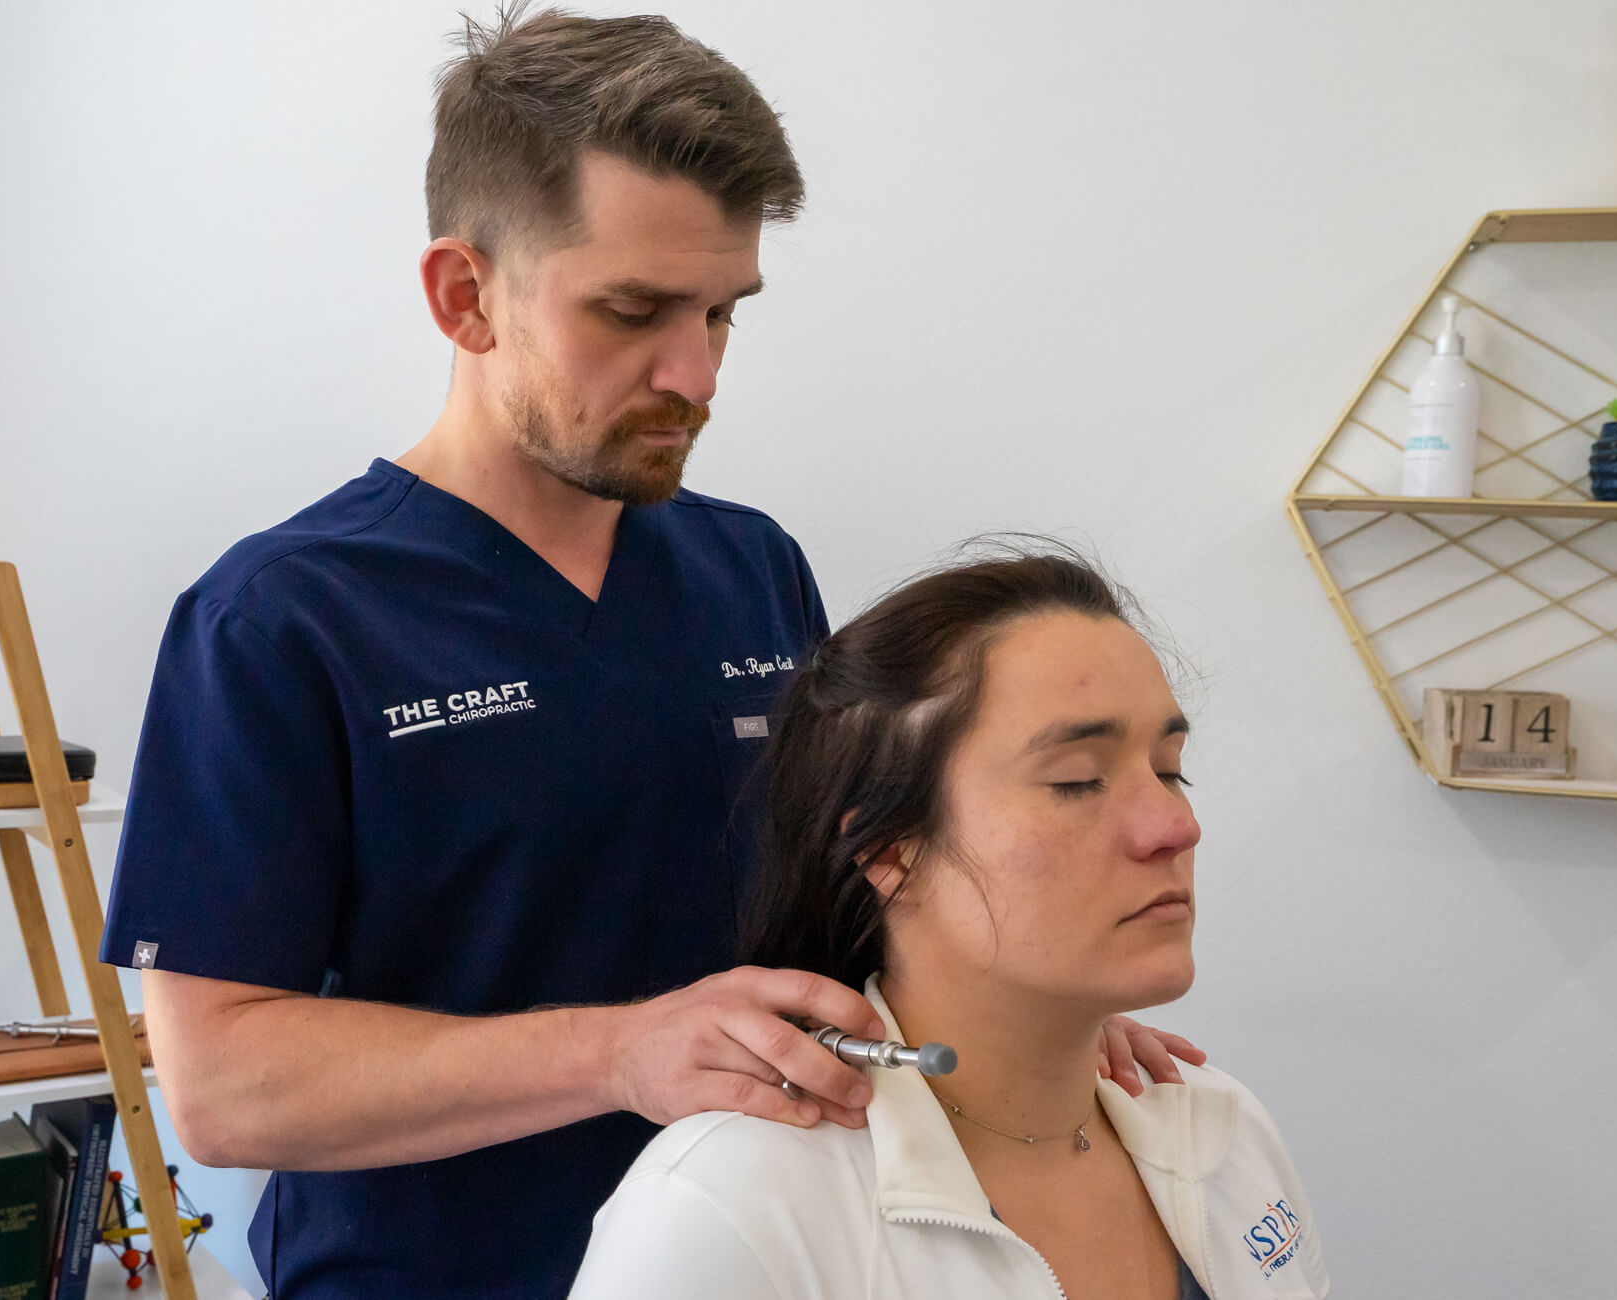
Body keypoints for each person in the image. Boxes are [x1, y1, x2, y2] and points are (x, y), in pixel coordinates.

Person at [97, 11, 1199, 1297]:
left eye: (724, 314)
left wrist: (1031, 1008)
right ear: (466, 296)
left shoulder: (752, 570)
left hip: (784, 1258)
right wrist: (620, 1053)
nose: (696, 373)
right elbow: (224, 1088)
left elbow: (859, 901)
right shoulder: (283, 620)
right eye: (633, 312)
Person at [572, 546, 1329, 1299]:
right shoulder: (732, 1207)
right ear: (889, 852)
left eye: (1170, 769)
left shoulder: (1217, 1126)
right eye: (1078, 780)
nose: (1174, 824)